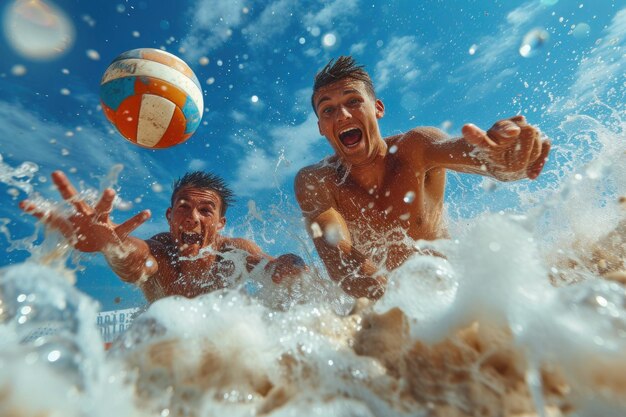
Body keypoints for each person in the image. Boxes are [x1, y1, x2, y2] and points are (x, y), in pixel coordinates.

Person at [294, 56, 551, 300]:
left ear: (377, 108)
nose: (342, 115)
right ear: (320, 128)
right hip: (389, 305)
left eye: (353, 101)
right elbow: (340, 260)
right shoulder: (318, 181)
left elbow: (468, 153)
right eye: (327, 109)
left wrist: (500, 157)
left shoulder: (415, 147)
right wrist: (402, 306)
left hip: (456, 294)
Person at [21, 170, 307, 303]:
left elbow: (268, 266)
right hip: (166, 345)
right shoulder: (161, 249)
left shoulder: (233, 252)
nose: (193, 217)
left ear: (220, 224)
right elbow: (135, 263)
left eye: (205, 210)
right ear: (170, 217)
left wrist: (287, 265)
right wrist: (112, 244)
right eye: (184, 207)